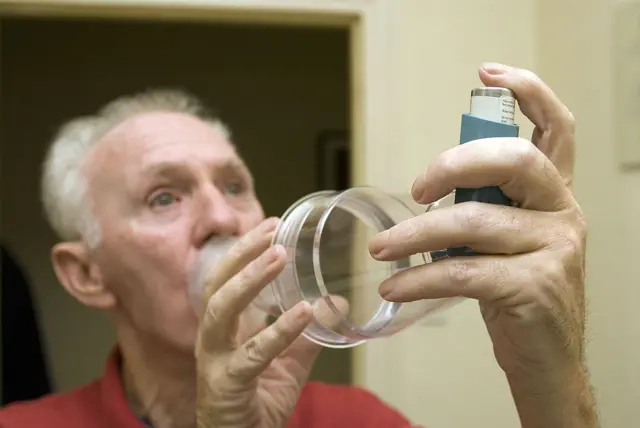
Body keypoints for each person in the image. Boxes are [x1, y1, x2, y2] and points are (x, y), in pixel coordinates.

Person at [0, 63, 599, 428]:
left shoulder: (363, 422)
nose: (222, 217)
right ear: (86, 274)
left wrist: (551, 374)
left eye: (235, 185)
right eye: (164, 198)